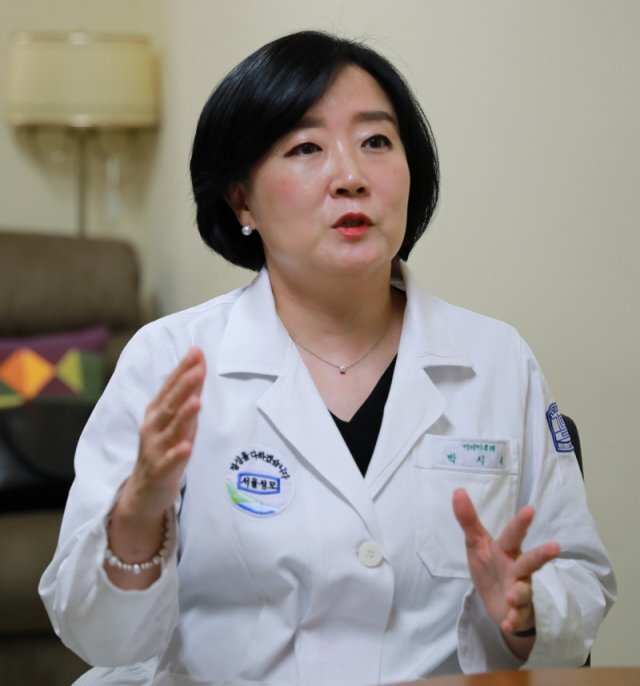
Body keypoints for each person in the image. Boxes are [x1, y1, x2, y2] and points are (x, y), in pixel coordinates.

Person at [40, 30, 615, 686]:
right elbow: (96, 634)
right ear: (241, 199)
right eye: (306, 148)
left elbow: (580, 577)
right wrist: (138, 514)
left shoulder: (496, 360)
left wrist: (529, 611)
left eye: (376, 141)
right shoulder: (171, 358)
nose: (352, 177)